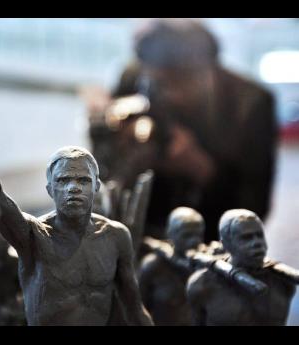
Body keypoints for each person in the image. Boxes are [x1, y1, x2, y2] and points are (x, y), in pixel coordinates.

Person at [0, 107, 154, 326]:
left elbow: (134, 309)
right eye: (63, 181)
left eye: (83, 180)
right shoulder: (33, 236)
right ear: (50, 189)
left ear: (96, 187)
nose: (73, 188)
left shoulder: (116, 237)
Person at [87, 19, 278, 242]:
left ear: (210, 68)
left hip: (212, 245)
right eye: (160, 82)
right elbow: (102, 179)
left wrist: (202, 170)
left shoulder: (251, 104)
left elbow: (254, 209)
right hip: (139, 235)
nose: (172, 94)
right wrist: (109, 138)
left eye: (183, 80)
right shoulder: (134, 78)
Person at [186, 209, 295, 326]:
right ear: (226, 244)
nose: (257, 243)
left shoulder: (283, 282)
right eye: (246, 238)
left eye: (259, 235)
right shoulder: (202, 285)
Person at [138, 207, 204, 325]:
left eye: (198, 235)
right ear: (170, 233)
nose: (194, 241)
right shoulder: (153, 265)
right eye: (187, 235)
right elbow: (136, 309)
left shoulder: (204, 267)